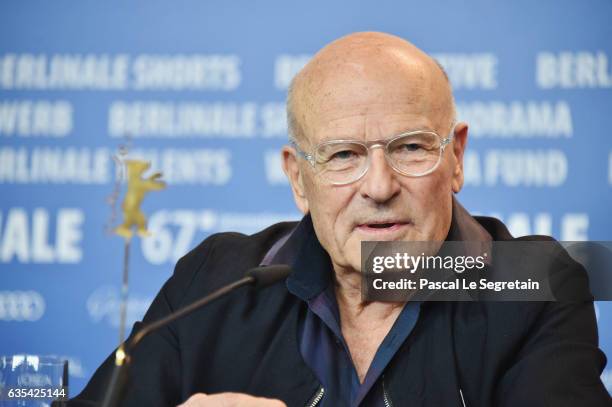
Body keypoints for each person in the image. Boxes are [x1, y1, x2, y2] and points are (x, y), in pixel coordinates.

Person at [69, 32, 611, 406]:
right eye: (344, 155)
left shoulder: (535, 283)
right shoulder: (216, 278)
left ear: (457, 158)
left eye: (411, 148)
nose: (378, 186)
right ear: (298, 179)